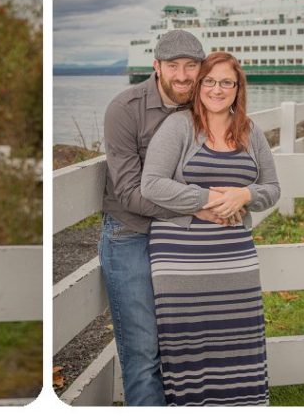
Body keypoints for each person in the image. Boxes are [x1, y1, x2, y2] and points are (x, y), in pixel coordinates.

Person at [98, 29, 232, 406]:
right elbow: (127, 192)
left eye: (192, 66)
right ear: (156, 67)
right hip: (133, 234)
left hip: (189, 236)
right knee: (143, 352)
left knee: (192, 344)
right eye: (173, 65)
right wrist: (199, 205)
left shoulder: (208, 104)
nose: (183, 75)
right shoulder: (125, 109)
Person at [141, 52, 280, 406]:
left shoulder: (250, 131)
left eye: (226, 82)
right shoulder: (179, 126)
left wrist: (244, 194)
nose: (217, 89)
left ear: (238, 88)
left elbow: (272, 190)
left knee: (239, 340)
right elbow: (152, 184)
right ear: (200, 85)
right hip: (180, 255)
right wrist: (205, 199)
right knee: (189, 346)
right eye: (210, 81)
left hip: (235, 256)